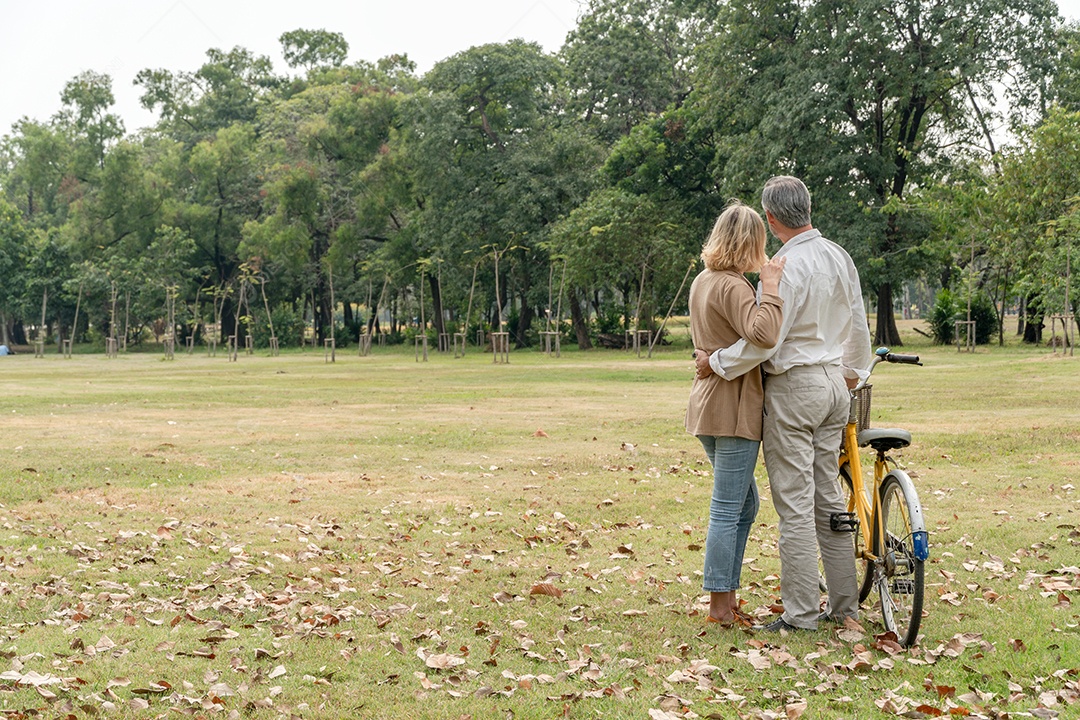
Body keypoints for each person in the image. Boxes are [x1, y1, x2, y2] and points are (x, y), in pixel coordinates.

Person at [695, 176, 872, 633]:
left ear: (771, 220)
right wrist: (852, 374)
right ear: (807, 207)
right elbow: (857, 322)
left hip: (795, 387)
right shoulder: (839, 255)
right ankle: (845, 606)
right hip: (836, 383)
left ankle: (800, 615)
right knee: (830, 499)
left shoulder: (784, 265)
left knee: (795, 505)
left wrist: (716, 361)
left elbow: (763, 344)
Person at [686, 201, 786, 626]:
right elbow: (763, 335)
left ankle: (725, 595)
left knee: (744, 506)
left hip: (707, 404)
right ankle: (719, 607)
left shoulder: (703, 281)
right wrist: (773, 288)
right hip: (733, 408)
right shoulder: (734, 286)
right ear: (749, 243)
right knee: (728, 508)